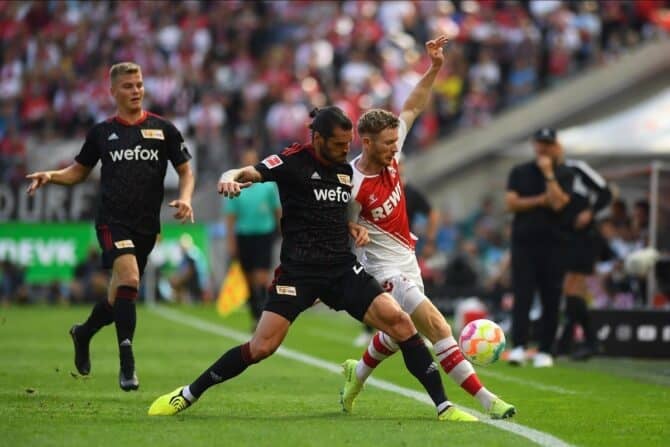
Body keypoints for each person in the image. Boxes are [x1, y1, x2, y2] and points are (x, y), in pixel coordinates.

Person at [148, 106, 475, 421]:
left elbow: (338, 213)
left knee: (401, 324)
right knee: (262, 347)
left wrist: (352, 226)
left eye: (348, 145)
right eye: (338, 144)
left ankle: (444, 407)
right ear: (317, 138)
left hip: (341, 270)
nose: (344, 151)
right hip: (298, 273)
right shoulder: (292, 161)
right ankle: (188, 393)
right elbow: (248, 172)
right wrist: (228, 176)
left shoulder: (347, 172)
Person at [340, 35, 515, 420]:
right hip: (380, 269)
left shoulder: (390, 152)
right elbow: (340, 225)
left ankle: (357, 375)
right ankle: (486, 402)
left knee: (397, 333)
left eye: (394, 143)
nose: (393, 150)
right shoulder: (351, 182)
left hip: (407, 258)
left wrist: (434, 67)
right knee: (435, 325)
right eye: (386, 144)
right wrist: (352, 230)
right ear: (365, 143)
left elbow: (413, 106)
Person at [26, 62, 195, 390]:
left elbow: (185, 170)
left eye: (140, 84)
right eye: (129, 86)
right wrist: (51, 175)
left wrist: (186, 198)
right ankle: (127, 361)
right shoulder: (102, 133)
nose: (136, 91)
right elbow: (78, 171)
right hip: (111, 221)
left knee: (120, 295)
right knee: (130, 278)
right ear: (113, 91)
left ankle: (84, 332)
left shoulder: (164, 130)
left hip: (146, 226)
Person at [505, 127, 573, 367]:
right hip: (524, 244)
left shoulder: (564, 174)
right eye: (540, 143)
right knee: (522, 295)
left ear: (555, 146)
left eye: (548, 143)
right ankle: (520, 346)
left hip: (554, 245)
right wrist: (539, 200)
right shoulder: (520, 171)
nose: (543, 148)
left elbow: (558, 203)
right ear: (534, 145)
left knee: (550, 297)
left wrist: (548, 175)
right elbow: (511, 203)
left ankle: (546, 349)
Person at [555, 156, 612, 360]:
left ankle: (588, 341)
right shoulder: (545, 177)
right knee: (573, 293)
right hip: (566, 239)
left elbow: (605, 192)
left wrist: (590, 212)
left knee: (572, 288)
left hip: (584, 238)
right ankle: (571, 343)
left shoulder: (576, 168)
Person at [223, 148, 281, 330]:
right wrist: (231, 242)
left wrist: (285, 232)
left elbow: (277, 210)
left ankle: (263, 316)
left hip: (264, 234)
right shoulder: (235, 185)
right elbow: (231, 218)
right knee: (248, 278)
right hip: (244, 235)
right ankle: (255, 315)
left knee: (262, 277)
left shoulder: (268, 186)